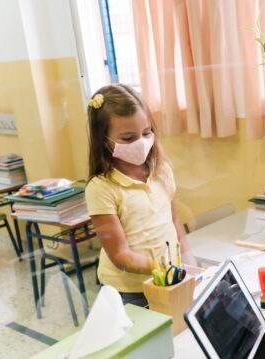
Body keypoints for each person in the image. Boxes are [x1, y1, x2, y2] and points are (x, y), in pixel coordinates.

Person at [85, 84, 195, 307]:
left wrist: (188, 260)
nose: (140, 142)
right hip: (130, 290)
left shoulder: (161, 171)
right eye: (127, 138)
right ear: (103, 139)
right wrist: (161, 267)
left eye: (146, 133)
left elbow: (173, 221)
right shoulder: (101, 188)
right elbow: (119, 255)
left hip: (168, 275)